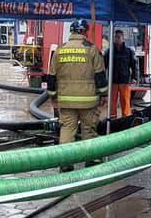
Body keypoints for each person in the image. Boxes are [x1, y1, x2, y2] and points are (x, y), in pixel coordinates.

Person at [45, 20, 106, 169]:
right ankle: (92, 160)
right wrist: (103, 95)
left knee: (66, 130)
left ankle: (66, 163)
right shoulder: (92, 50)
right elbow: (100, 76)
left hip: (65, 100)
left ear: (71, 32)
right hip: (88, 101)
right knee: (89, 130)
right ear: (85, 32)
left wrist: (53, 96)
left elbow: (51, 76)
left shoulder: (60, 49)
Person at [104, 29, 137, 118]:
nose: (117, 39)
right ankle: (112, 118)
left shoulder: (129, 52)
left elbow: (134, 65)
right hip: (113, 81)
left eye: (119, 37)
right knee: (112, 101)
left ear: (123, 39)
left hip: (124, 81)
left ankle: (126, 117)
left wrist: (135, 77)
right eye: (115, 37)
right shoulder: (109, 51)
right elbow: (104, 65)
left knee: (125, 101)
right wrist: (103, 79)